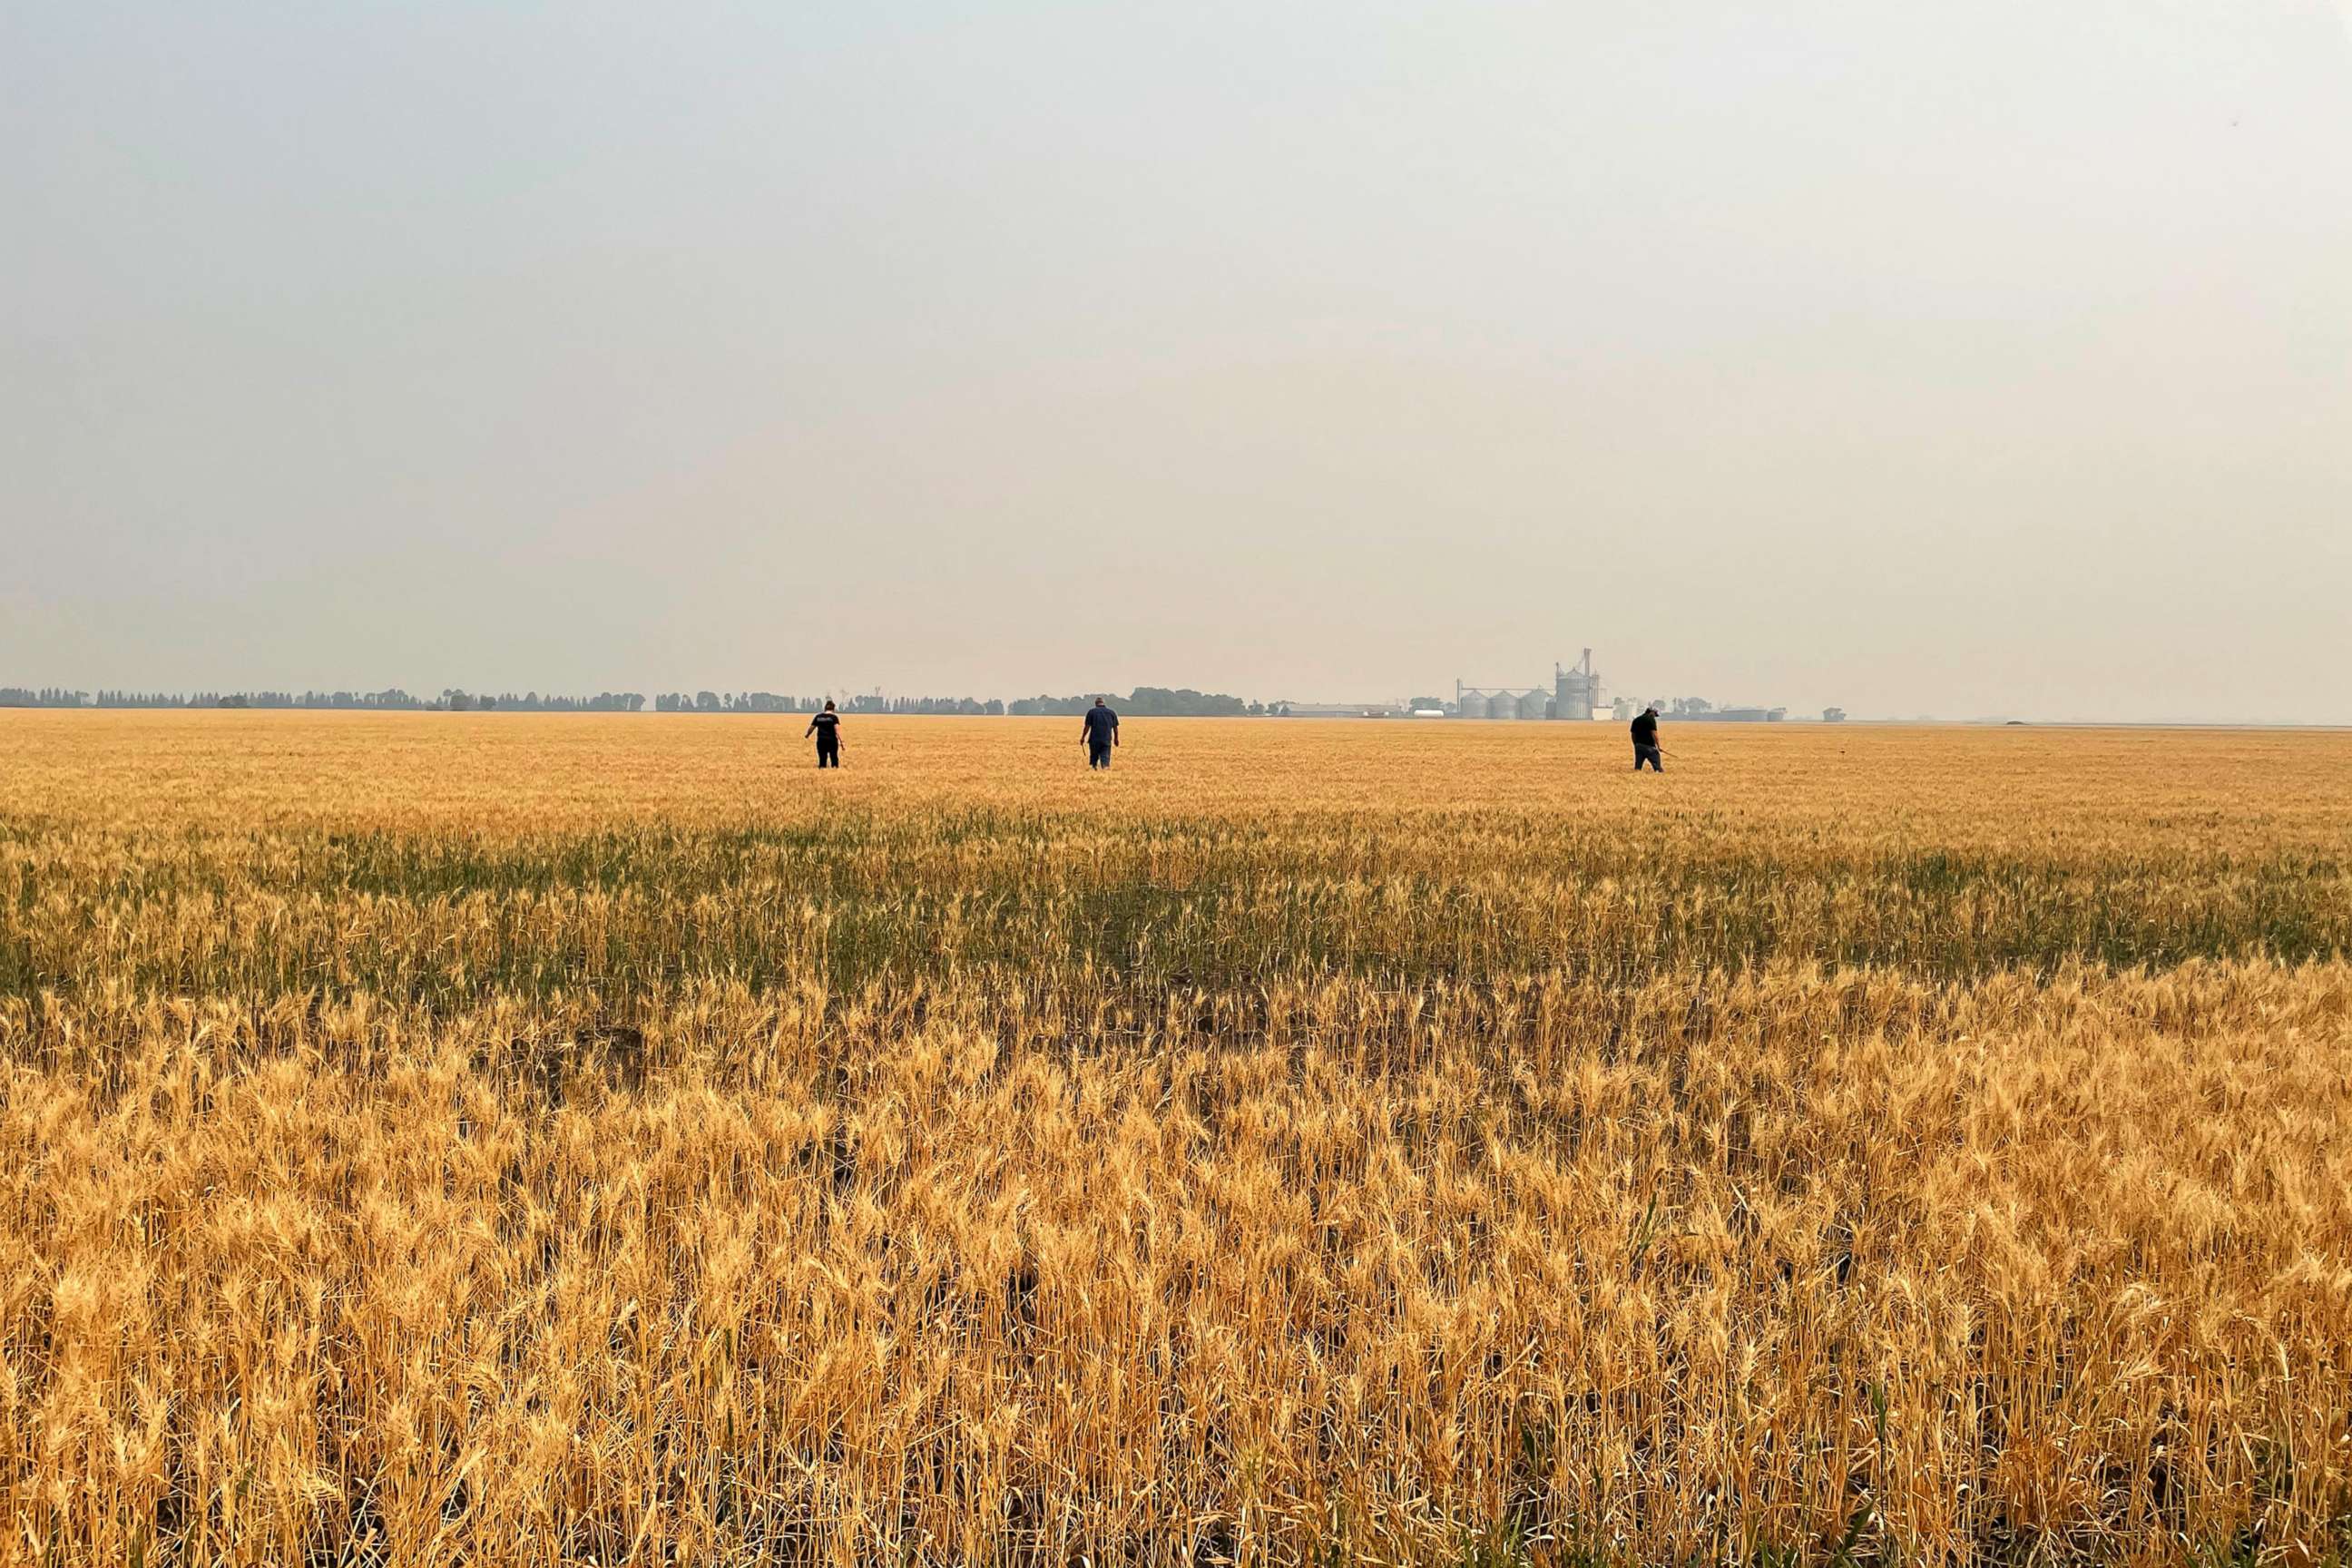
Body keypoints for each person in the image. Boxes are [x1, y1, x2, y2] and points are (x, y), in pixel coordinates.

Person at [1080, 697, 1120, 769]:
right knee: (1105, 759)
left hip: (1094, 740)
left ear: (1096, 704)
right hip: (1106, 740)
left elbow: (1087, 727)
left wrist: (1083, 737)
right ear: (1104, 703)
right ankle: (1105, 771)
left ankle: (1094, 770)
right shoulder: (1111, 713)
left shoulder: (1091, 712)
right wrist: (1116, 739)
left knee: (1094, 759)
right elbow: (1115, 728)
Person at [806, 701, 842, 768]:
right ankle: (835, 772)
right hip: (832, 741)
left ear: (825, 708)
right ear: (833, 709)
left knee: (822, 758)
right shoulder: (834, 718)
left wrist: (807, 735)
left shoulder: (818, 717)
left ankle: (822, 770)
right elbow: (837, 730)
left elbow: (811, 728)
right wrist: (841, 741)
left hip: (821, 741)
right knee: (834, 757)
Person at [1631, 704, 1662, 771]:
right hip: (1649, 746)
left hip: (1638, 746)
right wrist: (1658, 746)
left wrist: (1635, 744)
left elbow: (1633, 734)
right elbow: (1654, 734)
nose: (1655, 716)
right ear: (1652, 712)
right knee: (1658, 767)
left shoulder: (1636, 720)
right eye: (1655, 714)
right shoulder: (1651, 719)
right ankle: (1659, 775)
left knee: (1638, 768)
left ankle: (1636, 778)